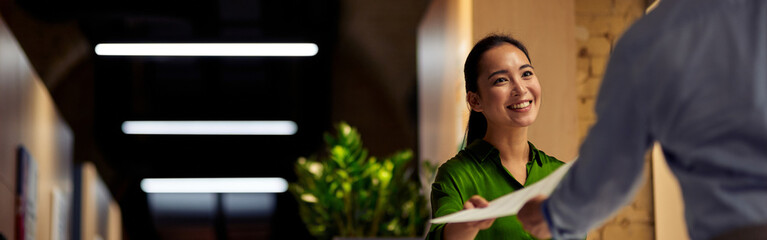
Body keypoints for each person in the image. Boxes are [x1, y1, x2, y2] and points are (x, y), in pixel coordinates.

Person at [516, 0, 767, 239]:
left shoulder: (649, 42)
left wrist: (553, 215)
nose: (520, 90)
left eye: (526, 73)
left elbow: (609, 172)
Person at [426, 34, 567, 239]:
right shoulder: (456, 175)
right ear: (475, 101)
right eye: (501, 80)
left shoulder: (560, 174)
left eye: (526, 74)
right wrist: (468, 224)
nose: (520, 89)